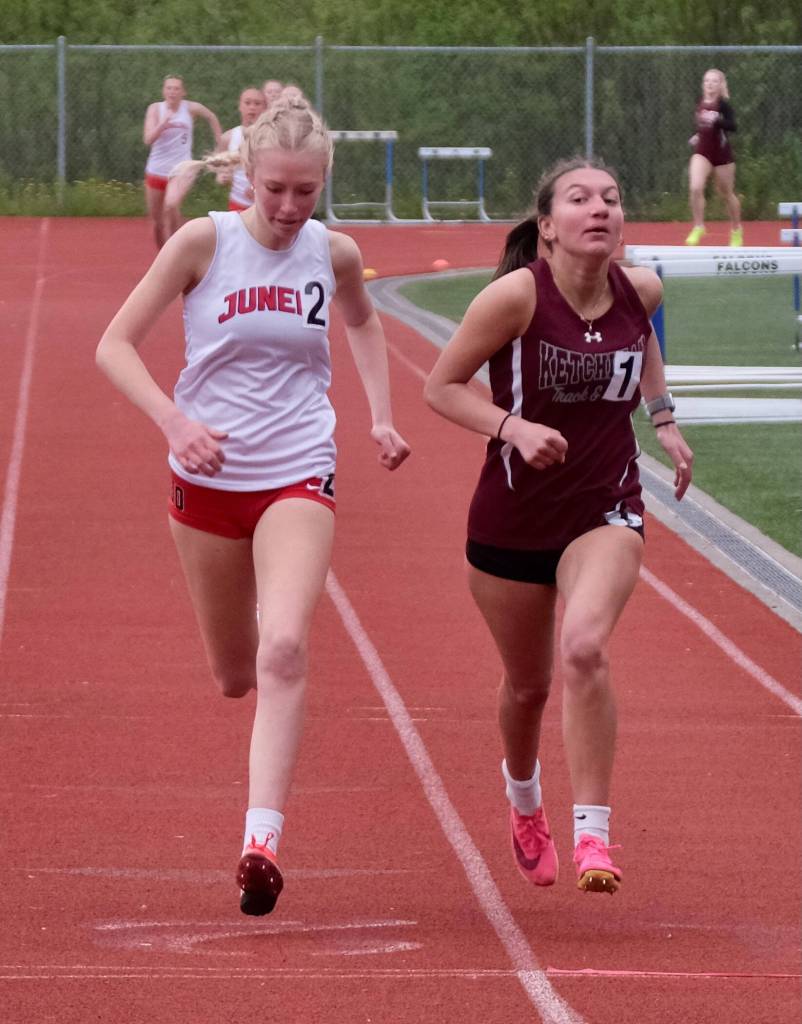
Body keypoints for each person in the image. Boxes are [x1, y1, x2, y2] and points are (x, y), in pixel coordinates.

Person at [97, 97, 411, 916]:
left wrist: (378, 413)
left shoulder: (333, 253)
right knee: (237, 675)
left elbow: (365, 323)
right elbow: (113, 343)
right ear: (248, 176)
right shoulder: (206, 242)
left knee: (283, 648)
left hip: (297, 472)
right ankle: (257, 807)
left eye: (305, 192)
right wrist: (175, 419)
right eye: (275, 189)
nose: (288, 208)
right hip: (203, 481)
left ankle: (260, 841)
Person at [424, 157, 693, 895]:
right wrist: (511, 428)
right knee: (527, 686)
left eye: (611, 196)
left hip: (605, 508)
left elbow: (643, 350)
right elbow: (439, 388)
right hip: (511, 519)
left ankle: (594, 838)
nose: (599, 208)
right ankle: (524, 802)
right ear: (548, 227)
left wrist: (662, 419)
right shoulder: (514, 299)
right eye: (579, 199)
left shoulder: (641, 289)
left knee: (583, 648)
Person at [143, 75, 222, 248]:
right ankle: (162, 256)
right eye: (169, 88)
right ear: (164, 91)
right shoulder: (155, 109)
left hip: (182, 168)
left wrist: (219, 141)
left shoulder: (190, 108)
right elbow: (148, 139)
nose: (172, 92)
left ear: (183, 92)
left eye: (177, 88)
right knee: (157, 222)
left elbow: (210, 116)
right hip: (156, 169)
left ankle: (177, 249)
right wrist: (162, 124)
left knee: (171, 205)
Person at [685, 68, 742, 247]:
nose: (710, 84)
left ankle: (736, 229)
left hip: (722, 155)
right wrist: (696, 134)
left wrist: (718, 121)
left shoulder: (724, 105)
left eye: (714, 81)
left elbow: (733, 126)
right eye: (707, 81)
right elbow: (700, 124)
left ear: (720, 85)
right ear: (703, 85)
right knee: (695, 187)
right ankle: (698, 226)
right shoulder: (699, 102)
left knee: (726, 194)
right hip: (702, 152)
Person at [218, 87, 268, 211]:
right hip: (237, 203)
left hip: (265, 205)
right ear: (240, 106)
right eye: (247, 103)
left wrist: (257, 189)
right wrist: (222, 177)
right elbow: (221, 170)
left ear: (265, 108)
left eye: (257, 103)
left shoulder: (272, 137)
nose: (252, 107)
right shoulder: (228, 138)